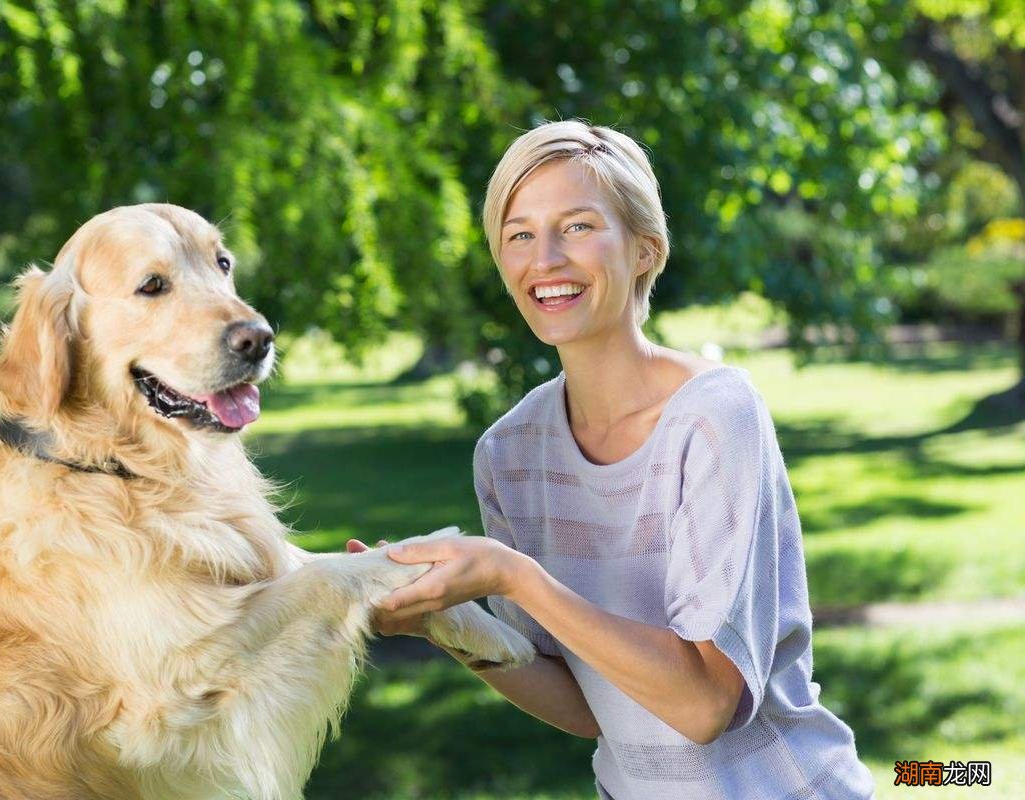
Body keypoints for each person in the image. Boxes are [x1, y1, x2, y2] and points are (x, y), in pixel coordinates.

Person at [347, 119, 875, 799]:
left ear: (645, 251)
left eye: (576, 227)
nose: (546, 260)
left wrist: (515, 577)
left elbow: (705, 705)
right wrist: (442, 621)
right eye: (520, 235)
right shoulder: (510, 454)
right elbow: (588, 701)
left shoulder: (715, 418)